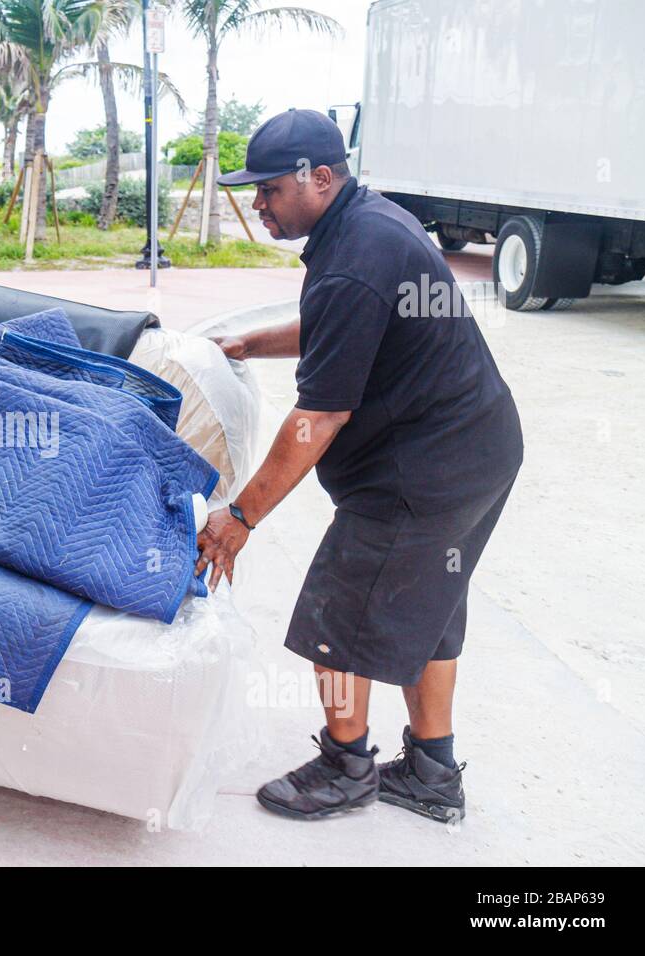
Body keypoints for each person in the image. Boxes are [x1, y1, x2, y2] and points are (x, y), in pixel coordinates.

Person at [196, 109, 523, 823]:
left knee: (336, 617)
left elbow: (318, 418)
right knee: (430, 613)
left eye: (269, 190)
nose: (258, 204)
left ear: (319, 177)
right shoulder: (365, 224)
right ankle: (433, 777)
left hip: (425, 470)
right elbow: (341, 322)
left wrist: (241, 515)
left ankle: (346, 768)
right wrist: (254, 343)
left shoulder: (354, 256)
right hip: (479, 448)